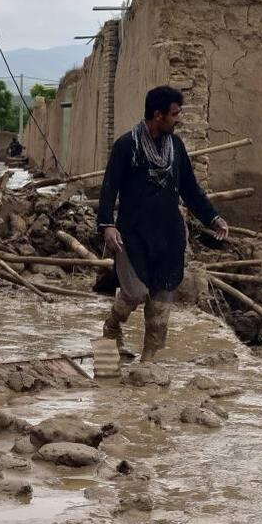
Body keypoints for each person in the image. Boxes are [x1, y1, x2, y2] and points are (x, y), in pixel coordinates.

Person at [97, 85, 229, 362]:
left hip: (168, 237)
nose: (178, 119)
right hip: (132, 236)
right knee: (134, 293)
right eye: (175, 114)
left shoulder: (176, 147)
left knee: (160, 305)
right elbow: (109, 189)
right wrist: (108, 225)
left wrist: (212, 217)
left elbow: (190, 189)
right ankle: (111, 328)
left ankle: (147, 363)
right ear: (158, 115)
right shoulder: (127, 146)